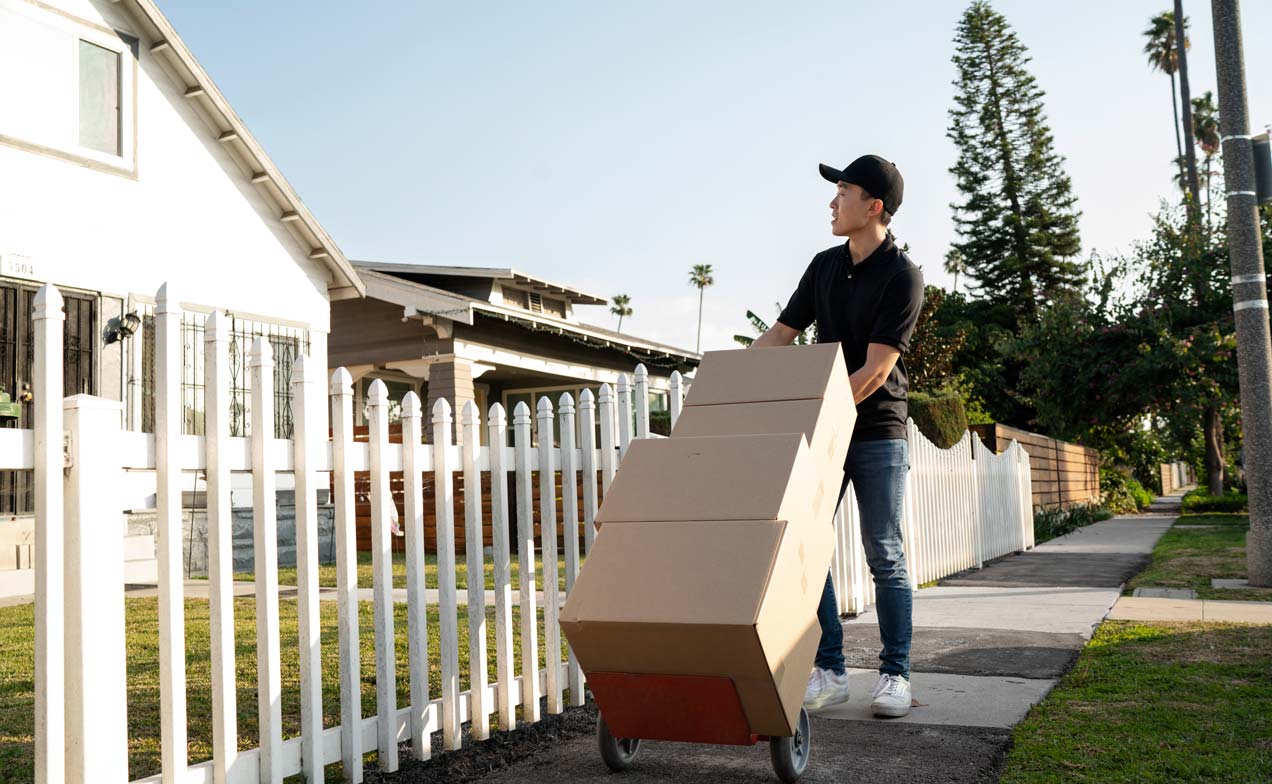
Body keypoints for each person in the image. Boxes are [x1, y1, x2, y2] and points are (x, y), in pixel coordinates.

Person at [750, 154, 924, 718]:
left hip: (876, 430)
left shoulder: (903, 275)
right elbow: (780, 334)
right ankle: (830, 669)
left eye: (842, 192)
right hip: (827, 432)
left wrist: (821, 416)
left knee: (885, 551)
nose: (832, 202)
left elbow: (876, 370)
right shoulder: (823, 266)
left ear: (873, 206)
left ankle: (895, 674)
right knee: (809, 543)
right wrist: (727, 382)